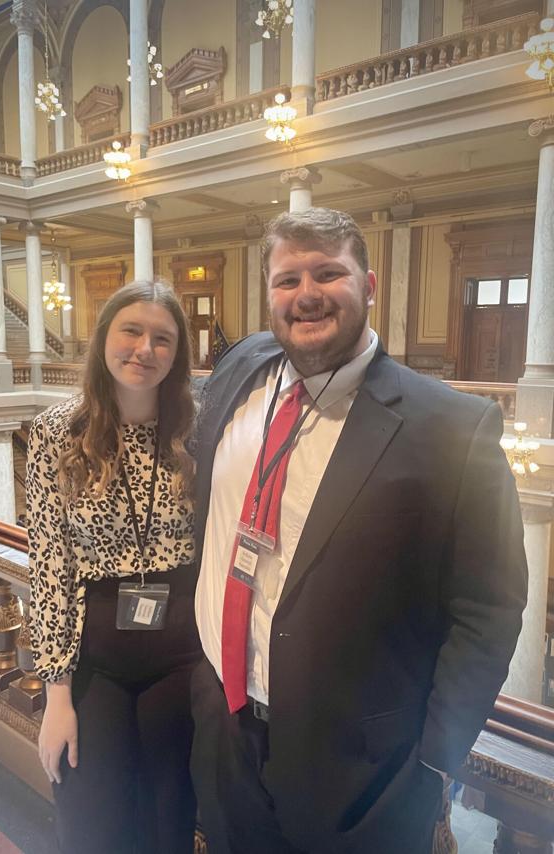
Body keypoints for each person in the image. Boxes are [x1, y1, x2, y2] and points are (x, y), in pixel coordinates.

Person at [191, 208, 528, 854]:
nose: (307, 294)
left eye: (328, 273)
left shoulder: (453, 429)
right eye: (287, 280)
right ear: (267, 295)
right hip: (226, 738)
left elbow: (489, 608)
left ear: (369, 286)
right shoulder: (239, 374)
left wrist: (434, 762)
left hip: (363, 776)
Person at [26, 280, 200, 854]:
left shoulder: (196, 431)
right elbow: (49, 564)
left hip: (181, 658)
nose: (144, 349)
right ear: (104, 337)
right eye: (131, 330)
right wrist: (56, 696)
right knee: (93, 821)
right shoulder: (59, 433)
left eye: (162, 339)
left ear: (177, 355)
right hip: (96, 658)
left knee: (169, 819)